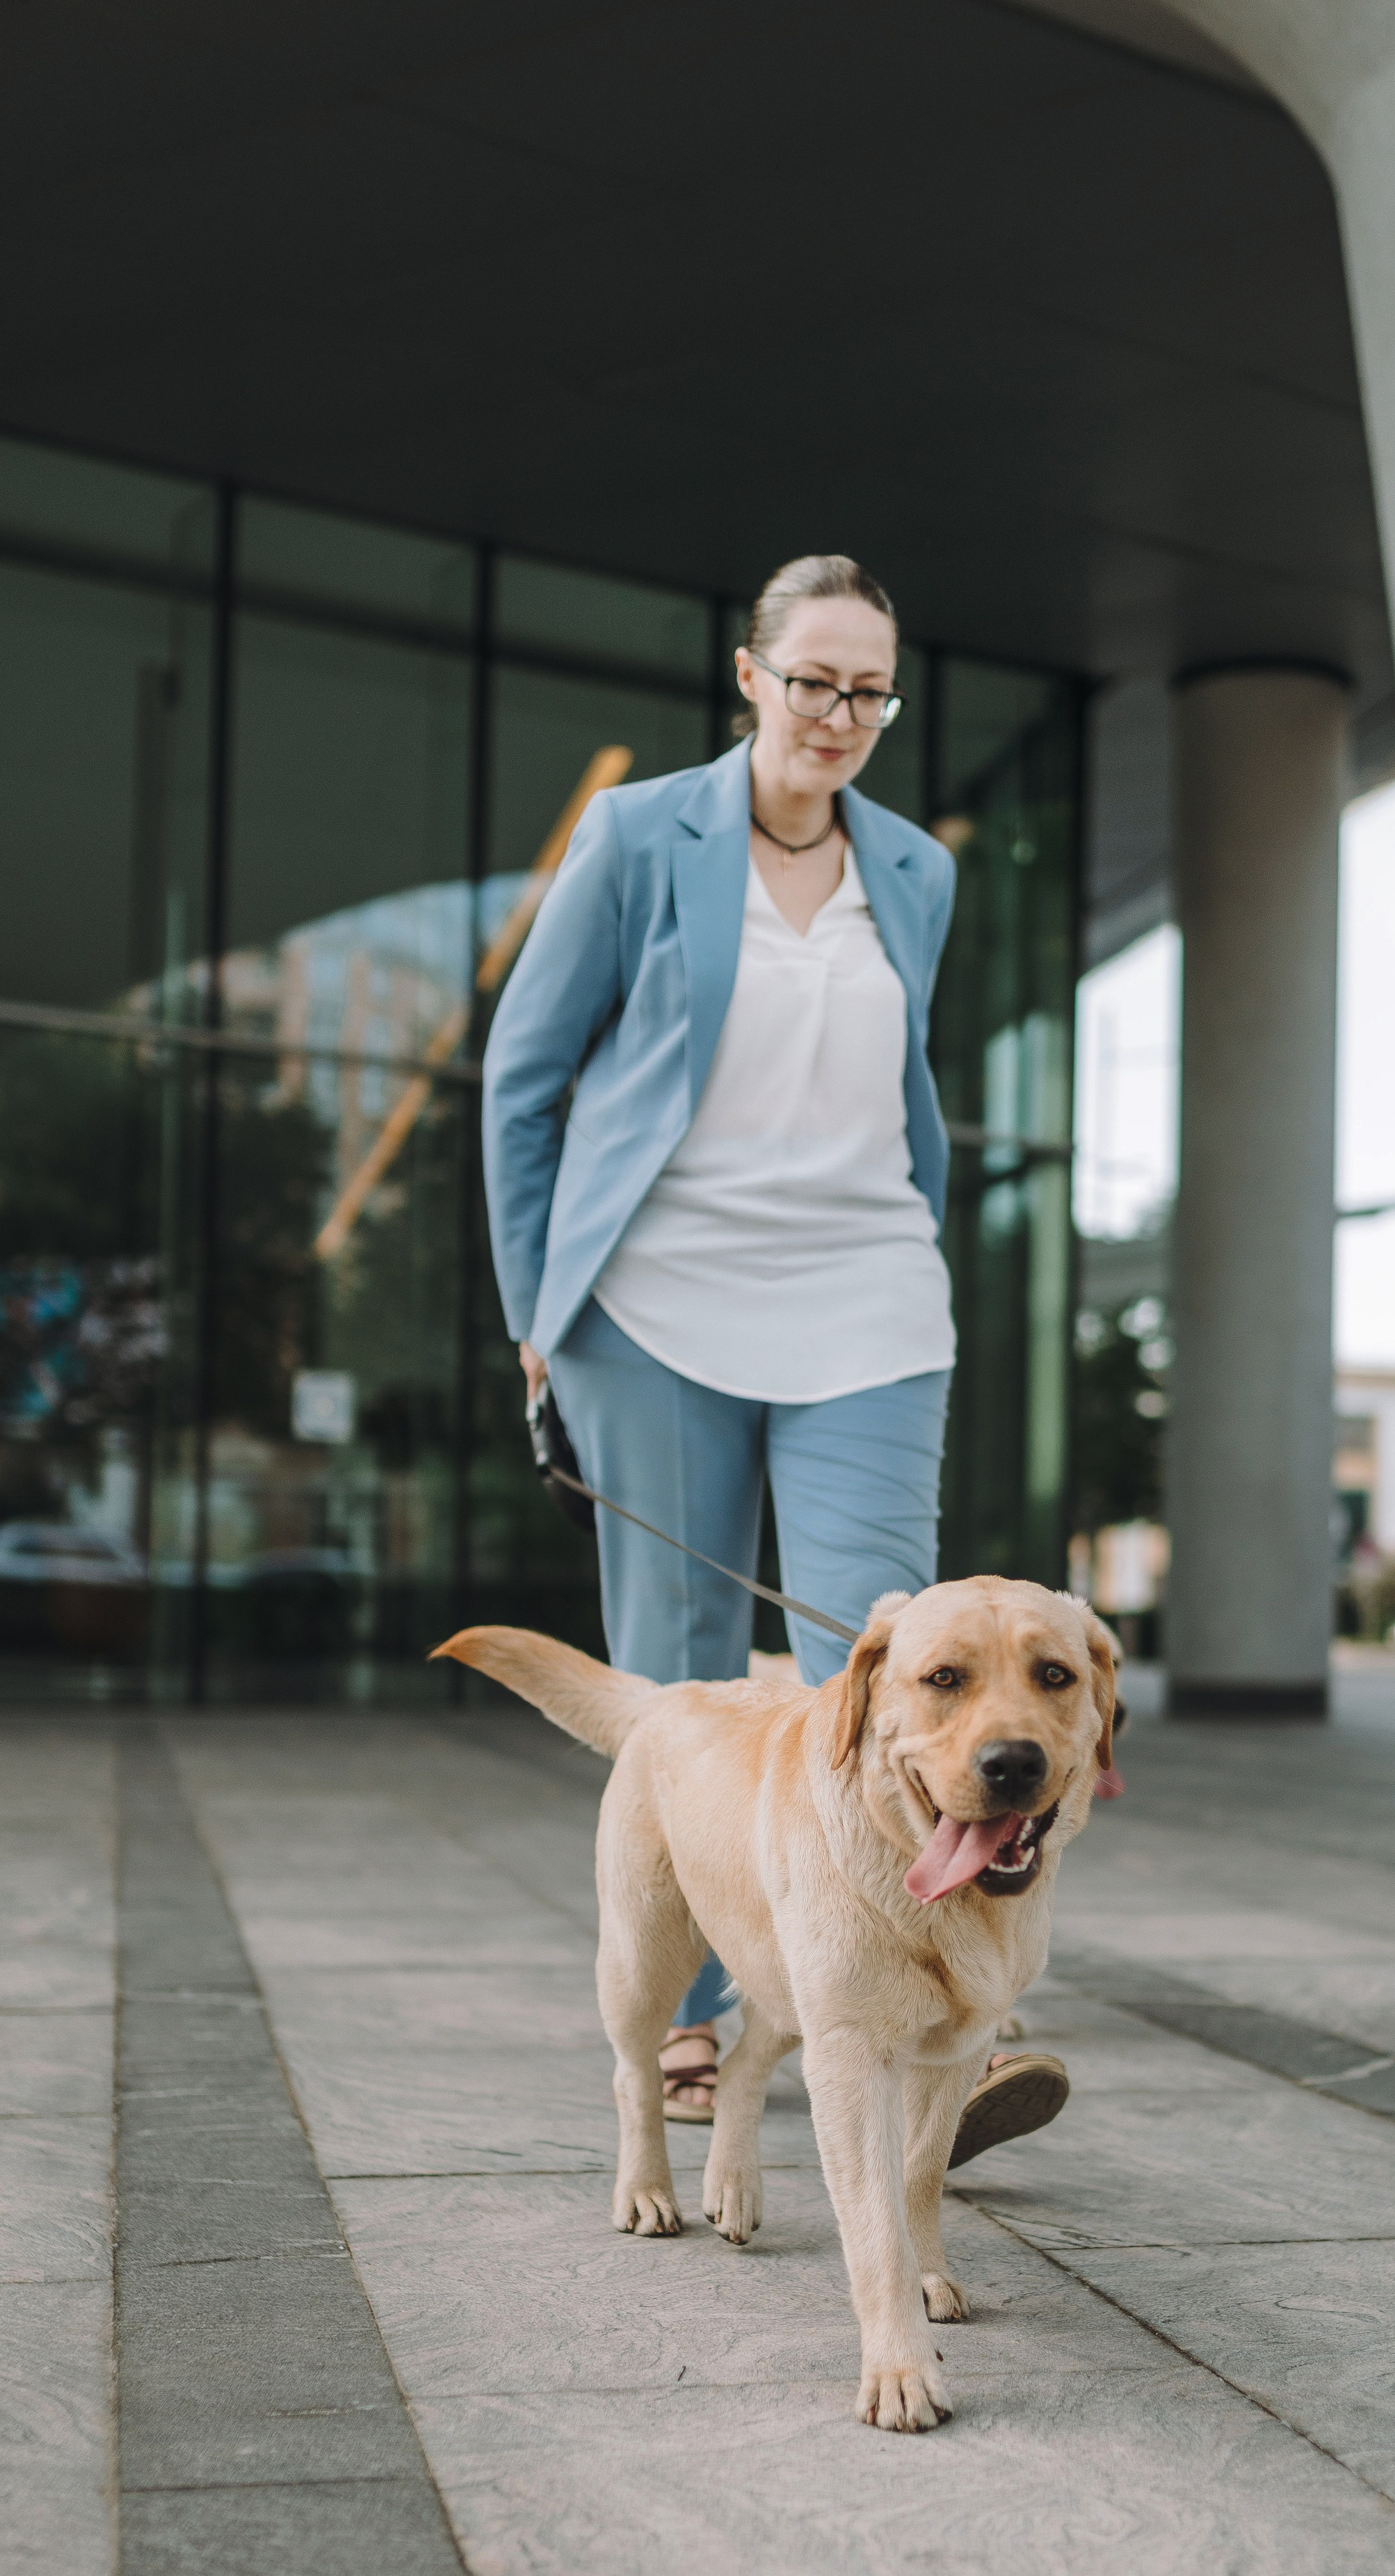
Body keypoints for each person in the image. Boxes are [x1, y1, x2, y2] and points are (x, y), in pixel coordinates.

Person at [483, 553, 1067, 2163]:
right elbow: (523, 1078)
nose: (838, 715)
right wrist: (536, 1301)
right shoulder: (635, 836)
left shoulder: (915, 872)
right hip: (654, 1300)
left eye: (868, 691)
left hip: (866, 1296)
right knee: (679, 1681)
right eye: (811, 680)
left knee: (893, 1666)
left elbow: (898, 1079)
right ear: (748, 677)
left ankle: (943, 2011)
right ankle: (696, 2030)